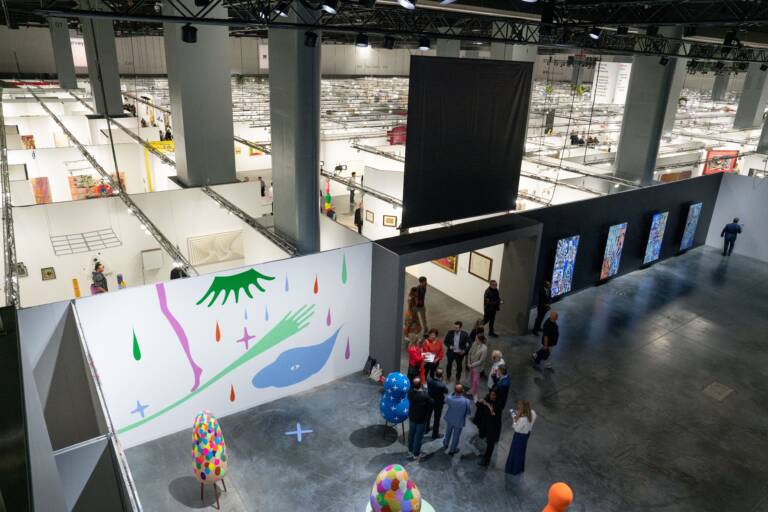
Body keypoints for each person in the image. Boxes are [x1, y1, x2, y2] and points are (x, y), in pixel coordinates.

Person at [505, 400, 537, 475]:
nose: (518, 408)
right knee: (521, 452)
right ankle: (519, 468)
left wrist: (515, 419)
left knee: (514, 453)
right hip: (526, 436)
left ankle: (512, 469)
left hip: (518, 436)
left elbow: (516, 428)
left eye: (520, 408)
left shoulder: (522, 420)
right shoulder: (533, 413)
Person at [474, 389, 503, 466]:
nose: (492, 396)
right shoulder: (487, 399)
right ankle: (485, 455)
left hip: (493, 427)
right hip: (486, 425)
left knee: (490, 444)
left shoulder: (498, 404)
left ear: (497, 396)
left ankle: (487, 460)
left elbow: (494, 414)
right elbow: (478, 406)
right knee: (488, 442)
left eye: (494, 395)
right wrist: (479, 402)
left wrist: (487, 405)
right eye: (491, 394)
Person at [406, 378, 433, 461]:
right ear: (421, 385)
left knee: (411, 435)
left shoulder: (409, 393)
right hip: (421, 419)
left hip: (412, 417)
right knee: (418, 437)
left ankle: (410, 451)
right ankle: (416, 454)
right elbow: (432, 402)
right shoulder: (425, 395)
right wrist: (425, 390)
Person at [442, 384, 472, 455]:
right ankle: (452, 450)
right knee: (456, 435)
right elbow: (468, 412)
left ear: (454, 391)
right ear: (462, 391)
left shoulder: (450, 398)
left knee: (448, 432)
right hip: (459, 421)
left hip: (450, 418)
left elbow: (446, 400)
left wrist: (452, 394)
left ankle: (446, 443)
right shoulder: (466, 401)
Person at [425, 368, 448, 439]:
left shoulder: (429, 380)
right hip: (438, 403)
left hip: (430, 401)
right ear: (442, 375)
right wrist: (442, 381)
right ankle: (435, 434)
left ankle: (426, 429)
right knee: (437, 419)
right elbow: (446, 391)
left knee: (428, 416)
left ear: (435, 374)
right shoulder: (442, 385)